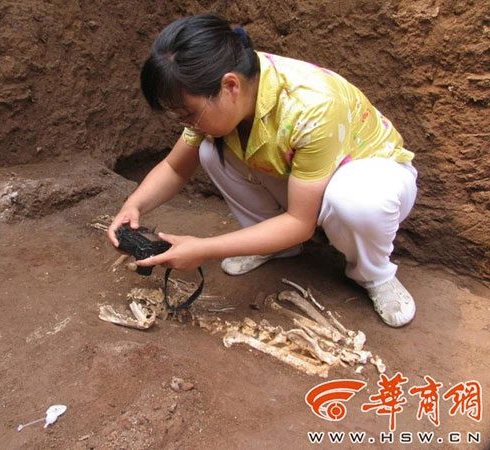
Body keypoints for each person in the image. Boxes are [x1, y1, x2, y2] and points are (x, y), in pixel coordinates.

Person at [107, 14, 418, 327]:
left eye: (188, 114)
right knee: (209, 150)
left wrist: (205, 249)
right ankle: (277, 245)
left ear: (230, 86)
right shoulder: (228, 89)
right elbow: (175, 168)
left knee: (356, 203)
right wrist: (133, 206)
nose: (186, 123)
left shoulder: (311, 105)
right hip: (304, 177)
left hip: (369, 175)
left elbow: (300, 222)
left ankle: (374, 273)